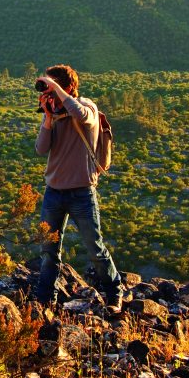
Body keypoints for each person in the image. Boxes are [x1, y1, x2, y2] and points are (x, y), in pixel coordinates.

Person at [31, 64, 124, 312]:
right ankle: (44, 301)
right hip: (54, 192)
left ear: (68, 87)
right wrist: (48, 119)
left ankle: (115, 292)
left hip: (82, 193)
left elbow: (81, 115)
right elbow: (41, 149)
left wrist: (59, 92)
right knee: (49, 250)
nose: (50, 93)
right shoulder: (55, 113)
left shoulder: (88, 107)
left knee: (95, 247)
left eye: (54, 87)